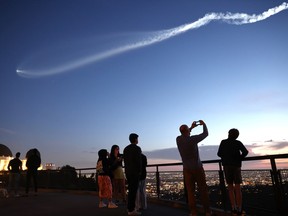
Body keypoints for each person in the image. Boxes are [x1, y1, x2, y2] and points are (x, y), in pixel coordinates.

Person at [176, 120, 212, 216]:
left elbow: (184, 133)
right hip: (197, 168)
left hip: (186, 169)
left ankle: (193, 212)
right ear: (187, 131)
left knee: (190, 192)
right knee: (203, 190)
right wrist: (204, 124)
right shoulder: (193, 139)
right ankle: (207, 211)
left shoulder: (178, 139)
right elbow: (206, 133)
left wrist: (191, 128)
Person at [217, 128, 249, 216]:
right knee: (238, 188)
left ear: (228, 134)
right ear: (237, 135)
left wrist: (226, 156)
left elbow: (219, 154)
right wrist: (239, 158)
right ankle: (239, 208)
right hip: (236, 166)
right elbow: (245, 152)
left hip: (227, 166)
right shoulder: (238, 143)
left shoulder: (223, 142)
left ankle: (233, 207)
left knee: (230, 187)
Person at [124, 133, 142, 216]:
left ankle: (130, 208)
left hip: (128, 172)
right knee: (133, 191)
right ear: (135, 139)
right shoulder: (137, 148)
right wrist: (139, 171)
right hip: (134, 173)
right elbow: (138, 161)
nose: (138, 140)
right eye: (137, 138)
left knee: (130, 191)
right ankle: (131, 210)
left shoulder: (126, 149)